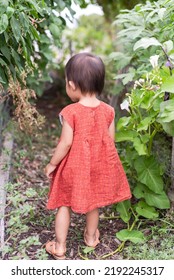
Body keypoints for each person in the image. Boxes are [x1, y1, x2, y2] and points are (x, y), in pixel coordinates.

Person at [44, 53, 131, 260]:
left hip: (73, 168)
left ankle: (60, 246)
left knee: (63, 203)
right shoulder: (109, 111)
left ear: (72, 85)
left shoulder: (70, 111)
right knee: (94, 202)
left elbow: (65, 143)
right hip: (97, 166)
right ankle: (91, 238)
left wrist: (51, 163)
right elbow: (110, 141)